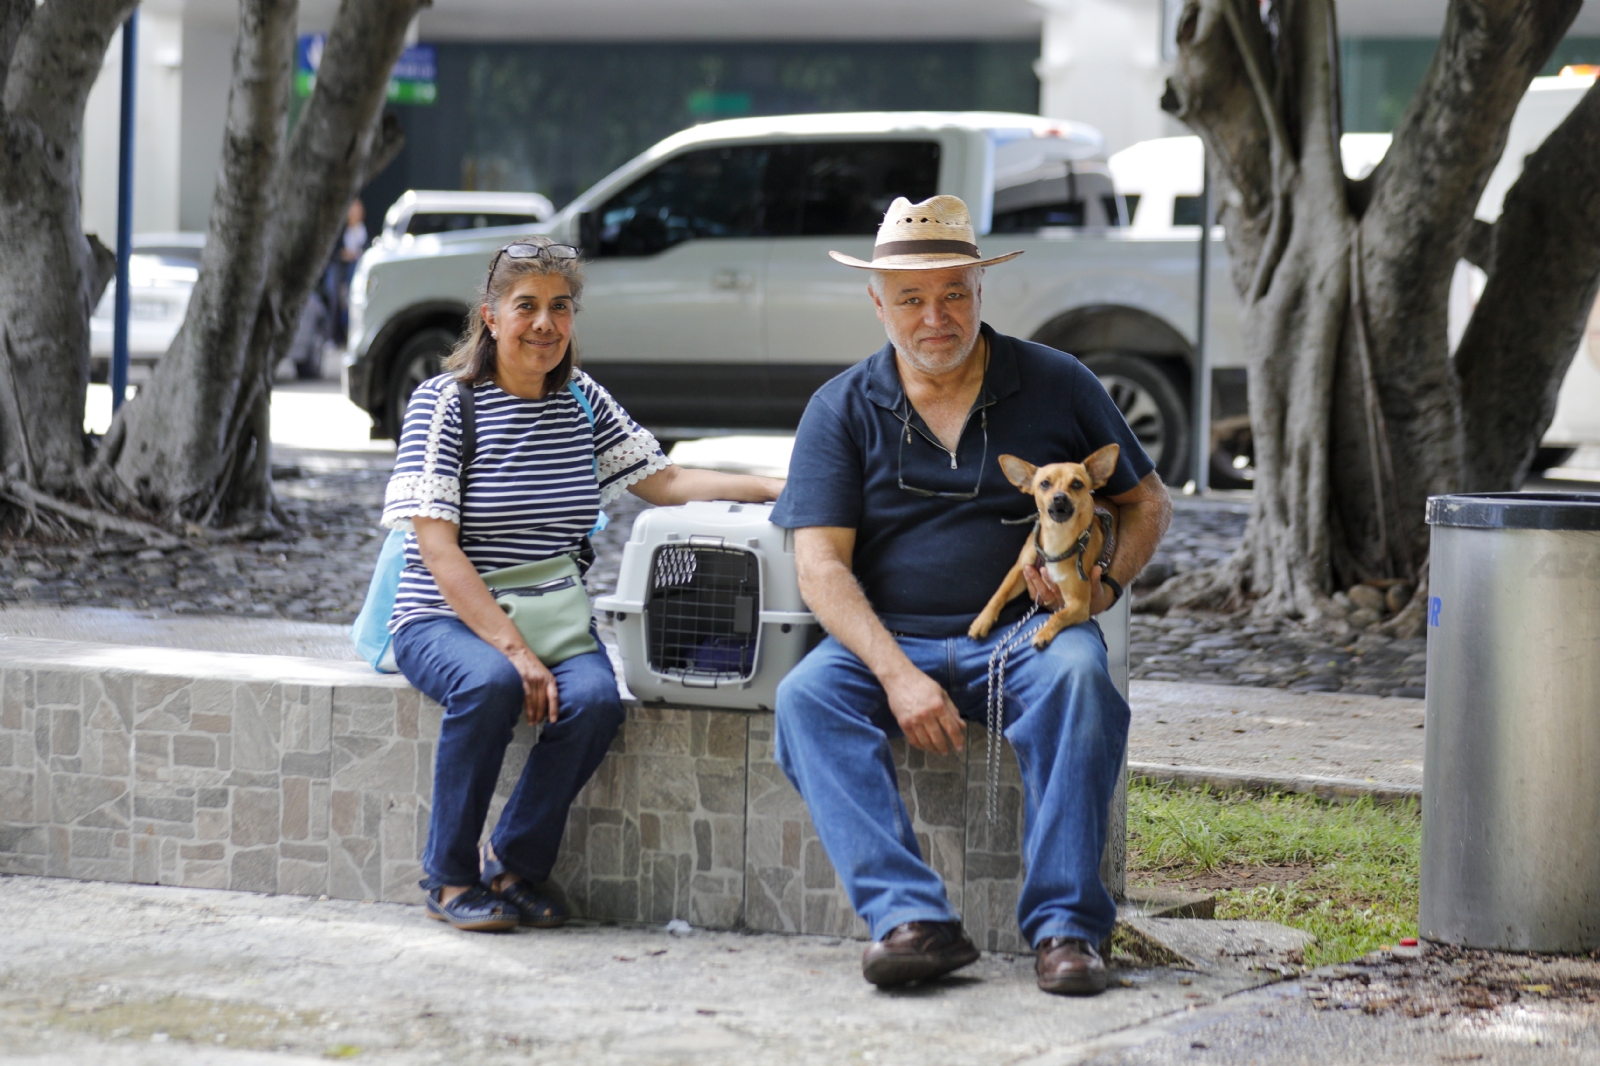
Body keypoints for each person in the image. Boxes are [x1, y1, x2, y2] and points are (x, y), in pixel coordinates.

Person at [770, 195, 1171, 994]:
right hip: (893, 636)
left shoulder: (1058, 382)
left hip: (1029, 634)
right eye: (912, 298)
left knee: (1082, 682)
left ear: (982, 292)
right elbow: (820, 567)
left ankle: (1067, 931)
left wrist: (1104, 584)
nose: (935, 316)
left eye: (954, 292)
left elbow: (1147, 502)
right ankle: (912, 920)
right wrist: (895, 673)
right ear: (877, 302)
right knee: (805, 700)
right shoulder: (840, 408)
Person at [382, 236, 784, 932]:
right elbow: (438, 551)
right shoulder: (444, 404)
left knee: (597, 702)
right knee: (489, 685)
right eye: (527, 306)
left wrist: (779, 487)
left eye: (560, 307)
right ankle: (448, 879)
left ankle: (512, 865)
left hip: (554, 613)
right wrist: (512, 651)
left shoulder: (580, 400)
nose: (545, 323)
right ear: (491, 315)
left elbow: (665, 480)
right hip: (444, 614)